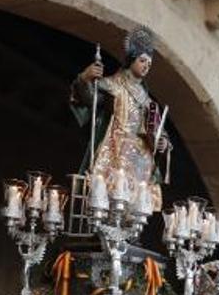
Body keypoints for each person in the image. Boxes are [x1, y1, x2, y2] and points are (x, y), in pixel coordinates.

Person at [70, 25, 169, 204]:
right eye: (142, 60)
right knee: (105, 199)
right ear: (131, 59)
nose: (147, 65)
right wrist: (85, 78)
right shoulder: (113, 84)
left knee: (134, 208)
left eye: (149, 63)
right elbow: (90, 100)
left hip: (140, 160)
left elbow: (160, 132)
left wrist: (162, 142)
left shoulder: (149, 102)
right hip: (115, 152)